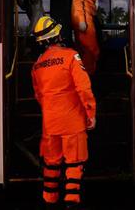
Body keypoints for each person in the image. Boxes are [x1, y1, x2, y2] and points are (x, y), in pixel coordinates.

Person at [31, 15, 97, 208]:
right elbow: (83, 88)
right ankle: (71, 201)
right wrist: (90, 113)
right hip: (72, 122)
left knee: (51, 164)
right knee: (74, 163)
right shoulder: (71, 56)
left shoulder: (37, 65)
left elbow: (39, 96)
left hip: (50, 125)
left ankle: (50, 199)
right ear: (57, 35)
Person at [71, 0, 112, 74]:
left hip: (88, 17)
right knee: (90, 51)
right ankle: (88, 78)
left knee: (89, 52)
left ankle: (88, 76)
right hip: (85, 19)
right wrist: (81, 21)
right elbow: (77, 1)